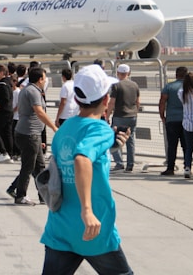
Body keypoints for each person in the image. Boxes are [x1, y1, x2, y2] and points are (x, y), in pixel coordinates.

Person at [41, 64, 133, 275]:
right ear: (105, 100)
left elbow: (75, 153)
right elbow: (82, 158)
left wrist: (110, 145)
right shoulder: (100, 128)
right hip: (93, 230)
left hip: (61, 228)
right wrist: (87, 211)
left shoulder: (65, 129)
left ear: (76, 99)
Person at [11, 67, 58, 205]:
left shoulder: (29, 89)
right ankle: (20, 195)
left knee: (39, 167)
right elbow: (39, 112)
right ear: (40, 79)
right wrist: (54, 127)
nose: (45, 81)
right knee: (28, 166)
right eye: (44, 78)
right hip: (29, 133)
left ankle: (43, 196)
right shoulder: (33, 91)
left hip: (32, 133)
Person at [107, 64, 140, 172]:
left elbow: (112, 102)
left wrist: (107, 115)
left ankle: (119, 162)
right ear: (128, 73)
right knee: (130, 140)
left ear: (118, 73)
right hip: (132, 116)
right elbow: (138, 101)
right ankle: (130, 164)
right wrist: (136, 112)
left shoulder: (116, 85)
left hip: (119, 115)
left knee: (114, 139)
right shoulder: (135, 85)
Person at [158, 66, 188, 176]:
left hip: (172, 119)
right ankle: (187, 167)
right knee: (186, 145)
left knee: (172, 145)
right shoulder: (190, 87)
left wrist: (162, 116)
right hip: (186, 119)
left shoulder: (169, 86)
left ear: (176, 75)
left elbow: (162, 102)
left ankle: (170, 168)